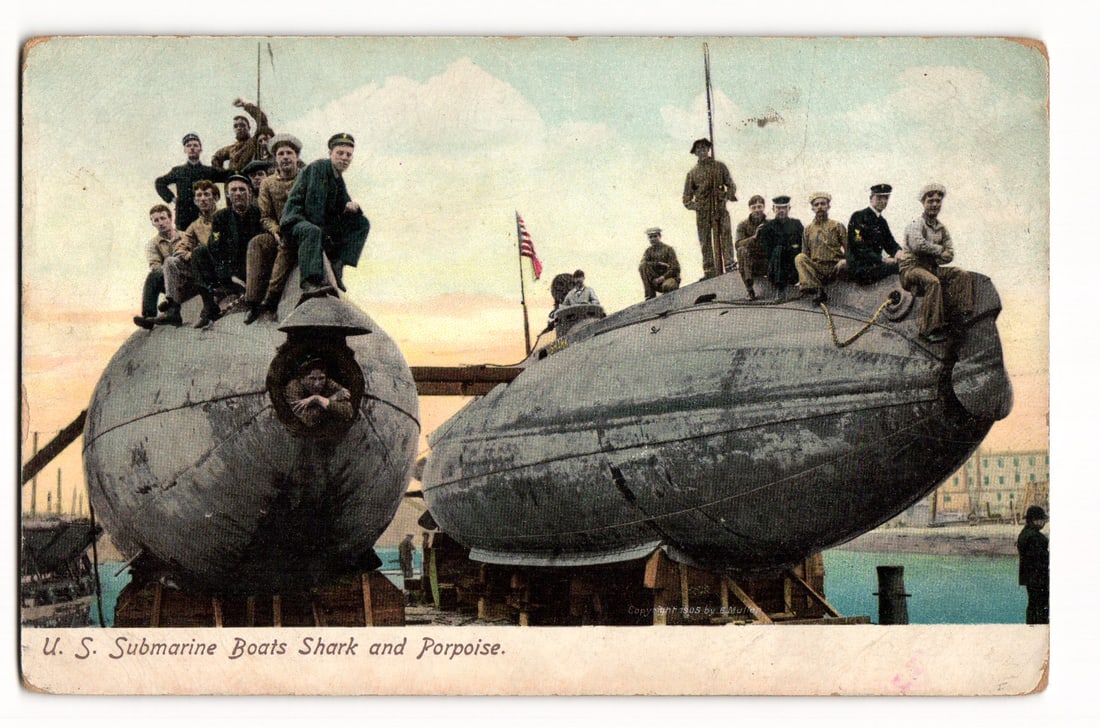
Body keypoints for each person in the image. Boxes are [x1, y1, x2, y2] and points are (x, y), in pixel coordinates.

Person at [281, 133, 371, 298]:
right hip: (296, 222)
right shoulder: (320, 168)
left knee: (361, 223)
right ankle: (310, 283)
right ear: (330, 154)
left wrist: (355, 209)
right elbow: (313, 210)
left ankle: (338, 265)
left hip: (316, 223)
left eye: (348, 155)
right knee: (312, 230)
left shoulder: (338, 178)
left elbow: (346, 204)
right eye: (340, 153)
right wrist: (327, 238)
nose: (344, 158)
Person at [899, 183, 974, 343]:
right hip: (911, 269)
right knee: (933, 282)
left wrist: (937, 251)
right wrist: (939, 250)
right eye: (930, 201)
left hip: (931, 268)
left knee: (960, 274)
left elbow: (950, 254)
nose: (934, 204)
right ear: (923, 203)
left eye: (938, 201)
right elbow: (917, 245)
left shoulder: (941, 229)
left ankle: (959, 317)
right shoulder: (916, 223)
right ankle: (928, 330)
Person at [244, 133, 303, 324]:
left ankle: (272, 298)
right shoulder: (268, 184)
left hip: (302, 230)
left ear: (296, 157)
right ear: (275, 159)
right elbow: (265, 216)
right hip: (279, 231)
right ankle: (252, 302)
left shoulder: (306, 178)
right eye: (280, 154)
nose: (285, 157)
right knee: (257, 242)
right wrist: (275, 229)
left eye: (289, 153)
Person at [192, 175, 263, 328]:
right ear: (228, 195)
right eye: (234, 190)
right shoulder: (221, 217)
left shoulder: (258, 214)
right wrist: (230, 275)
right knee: (199, 252)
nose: (238, 193)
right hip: (229, 271)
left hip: (251, 268)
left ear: (250, 192)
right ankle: (209, 306)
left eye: (242, 190)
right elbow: (215, 248)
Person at [147, 180, 221, 327]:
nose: (203, 199)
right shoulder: (195, 226)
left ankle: (208, 306)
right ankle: (173, 310)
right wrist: (190, 256)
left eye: (207, 194)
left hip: (220, 267)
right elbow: (182, 248)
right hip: (202, 268)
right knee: (170, 261)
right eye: (198, 196)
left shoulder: (223, 217)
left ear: (216, 197)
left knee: (200, 252)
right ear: (194, 201)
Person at [682, 138, 737, 278]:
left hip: (720, 209)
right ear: (695, 153)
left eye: (704, 148)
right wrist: (698, 206)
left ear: (708, 149)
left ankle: (730, 264)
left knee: (725, 235)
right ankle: (709, 270)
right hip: (703, 213)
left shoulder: (720, 167)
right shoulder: (692, 173)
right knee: (705, 241)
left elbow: (731, 185)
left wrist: (726, 196)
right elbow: (686, 199)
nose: (702, 151)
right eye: (698, 149)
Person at [154, 133, 229, 233]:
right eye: (188, 146)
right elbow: (159, 183)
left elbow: (228, 175)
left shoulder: (209, 171)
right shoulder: (178, 171)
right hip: (184, 219)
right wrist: (172, 199)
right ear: (185, 149)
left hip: (205, 218)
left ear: (200, 149)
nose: (192, 148)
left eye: (195, 145)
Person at [133, 204, 182, 329]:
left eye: (163, 218)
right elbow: (155, 266)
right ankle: (148, 317)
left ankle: (170, 304)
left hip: (187, 277)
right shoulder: (152, 244)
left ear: (170, 219)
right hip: (169, 282)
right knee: (153, 275)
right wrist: (169, 269)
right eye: (156, 220)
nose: (160, 223)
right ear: (153, 223)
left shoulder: (184, 236)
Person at [795, 192, 847, 305]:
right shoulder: (807, 230)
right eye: (816, 205)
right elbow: (805, 253)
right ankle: (817, 289)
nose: (820, 207)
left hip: (834, 267)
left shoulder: (837, 226)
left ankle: (814, 288)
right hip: (817, 268)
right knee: (800, 257)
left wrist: (845, 261)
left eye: (823, 204)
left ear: (828, 206)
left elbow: (849, 249)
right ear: (813, 208)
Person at [847, 183, 901, 284]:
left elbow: (890, 243)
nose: (883, 201)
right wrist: (882, 259)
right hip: (860, 268)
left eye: (886, 198)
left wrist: (898, 252)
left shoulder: (882, 221)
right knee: (897, 268)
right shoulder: (858, 216)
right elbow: (858, 247)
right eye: (879, 198)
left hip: (875, 265)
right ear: (871, 198)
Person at [284, 356, 354, 428]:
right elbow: (309, 420)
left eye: (321, 378)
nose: (317, 384)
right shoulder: (293, 388)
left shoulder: (328, 383)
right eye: (311, 378)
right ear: (301, 379)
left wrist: (317, 399)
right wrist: (328, 399)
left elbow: (348, 412)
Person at [757, 195, 803, 302]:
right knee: (779, 250)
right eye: (778, 208)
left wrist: (791, 248)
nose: (781, 211)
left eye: (784, 208)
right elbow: (767, 251)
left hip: (792, 268)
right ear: (773, 209)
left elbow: (803, 246)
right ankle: (780, 290)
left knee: (784, 250)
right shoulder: (768, 227)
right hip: (775, 269)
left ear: (789, 209)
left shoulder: (796, 224)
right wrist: (790, 247)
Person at [211, 98, 273, 172]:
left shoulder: (253, 142)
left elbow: (262, 121)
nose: (239, 128)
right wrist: (223, 174)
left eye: (242, 125)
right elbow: (216, 157)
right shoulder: (231, 149)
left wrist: (245, 105)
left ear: (249, 128)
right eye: (236, 126)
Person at [1016, 505, 1049, 625]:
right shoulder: (1036, 537)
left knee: (1033, 604)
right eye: (1042, 520)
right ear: (1035, 520)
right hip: (1040, 577)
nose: (1044, 523)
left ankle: (1031, 629)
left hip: (1029, 577)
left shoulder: (1024, 534)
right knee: (1041, 606)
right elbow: (1043, 559)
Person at [734, 194, 768, 299]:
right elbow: (738, 244)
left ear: (763, 207)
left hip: (766, 261)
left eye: (760, 207)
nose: (757, 210)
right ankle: (749, 289)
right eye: (754, 207)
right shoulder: (743, 225)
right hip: (751, 264)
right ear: (750, 209)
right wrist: (754, 237)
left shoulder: (770, 223)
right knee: (741, 251)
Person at [638, 227, 681, 299]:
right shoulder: (648, 251)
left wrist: (663, 277)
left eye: (655, 236)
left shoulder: (668, 249)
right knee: (643, 266)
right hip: (655, 281)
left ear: (659, 236)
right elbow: (642, 264)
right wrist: (658, 264)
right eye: (650, 237)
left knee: (667, 286)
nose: (653, 239)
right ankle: (649, 295)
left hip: (669, 278)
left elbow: (675, 268)